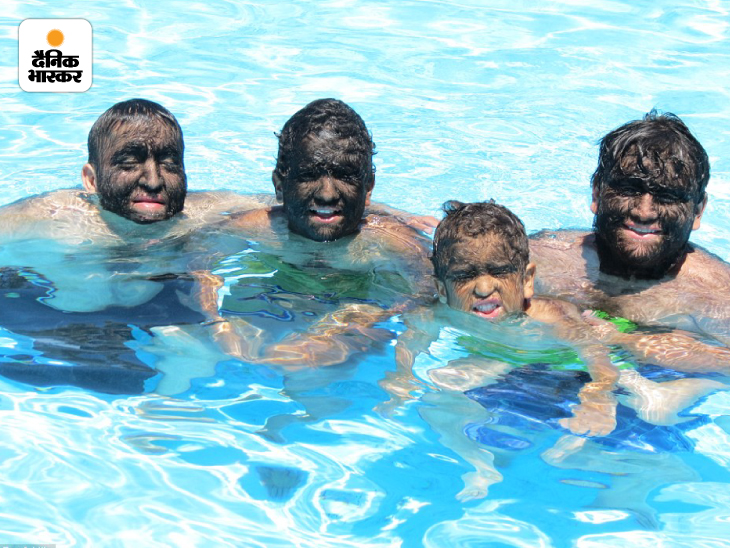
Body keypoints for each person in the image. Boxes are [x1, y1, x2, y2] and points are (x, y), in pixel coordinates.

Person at [384, 199, 729, 499]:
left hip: (577, 355)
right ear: (440, 287)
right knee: (439, 393)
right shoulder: (433, 312)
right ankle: (479, 464)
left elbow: (596, 356)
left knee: (638, 394)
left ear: (527, 280)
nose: (484, 288)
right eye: (465, 275)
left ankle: (671, 394)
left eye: (500, 272)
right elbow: (412, 340)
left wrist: (597, 397)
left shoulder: (549, 317)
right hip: (513, 360)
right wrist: (401, 375)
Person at [202, 98, 436, 365]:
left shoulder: (389, 241)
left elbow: (428, 295)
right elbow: (194, 262)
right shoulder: (258, 228)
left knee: (312, 373)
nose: (327, 194)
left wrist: (356, 322)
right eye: (309, 175)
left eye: (344, 176)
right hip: (275, 299)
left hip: (356, 310)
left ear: (368, 188)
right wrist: (212, 320)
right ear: (279, 185)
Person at [529, 111, 730, 342]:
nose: (644, 212)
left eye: (667, 197)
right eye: (628, 190)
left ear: (698, 211)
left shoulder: (718, 296)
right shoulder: (541, 257)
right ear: (597, 194)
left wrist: (633, 342)